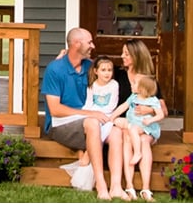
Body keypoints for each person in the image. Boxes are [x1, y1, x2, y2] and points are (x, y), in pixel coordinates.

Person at [41, 27, 129, 200]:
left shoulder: (90, 66)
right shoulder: (55, 69)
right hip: (61, 123)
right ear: (76, 44)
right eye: (89, 42)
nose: (93, 46)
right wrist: (90, 113)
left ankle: (117, 187)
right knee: (92, 123)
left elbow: (115, 72)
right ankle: (101, 185)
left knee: (117, 131)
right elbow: (55, 110)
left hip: (89, 119)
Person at [112, 39, 166, 201]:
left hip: (145, 126)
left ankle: (146, 188)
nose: (122, 56)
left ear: (137, 56)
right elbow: (97, 66)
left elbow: (163, 110)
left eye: (127, 54)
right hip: (126, 125)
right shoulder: (118, 74)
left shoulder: (148, 81)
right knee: (128, 136)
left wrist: (148, 110)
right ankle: (129, 185)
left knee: (142, 140)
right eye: (123, 53)